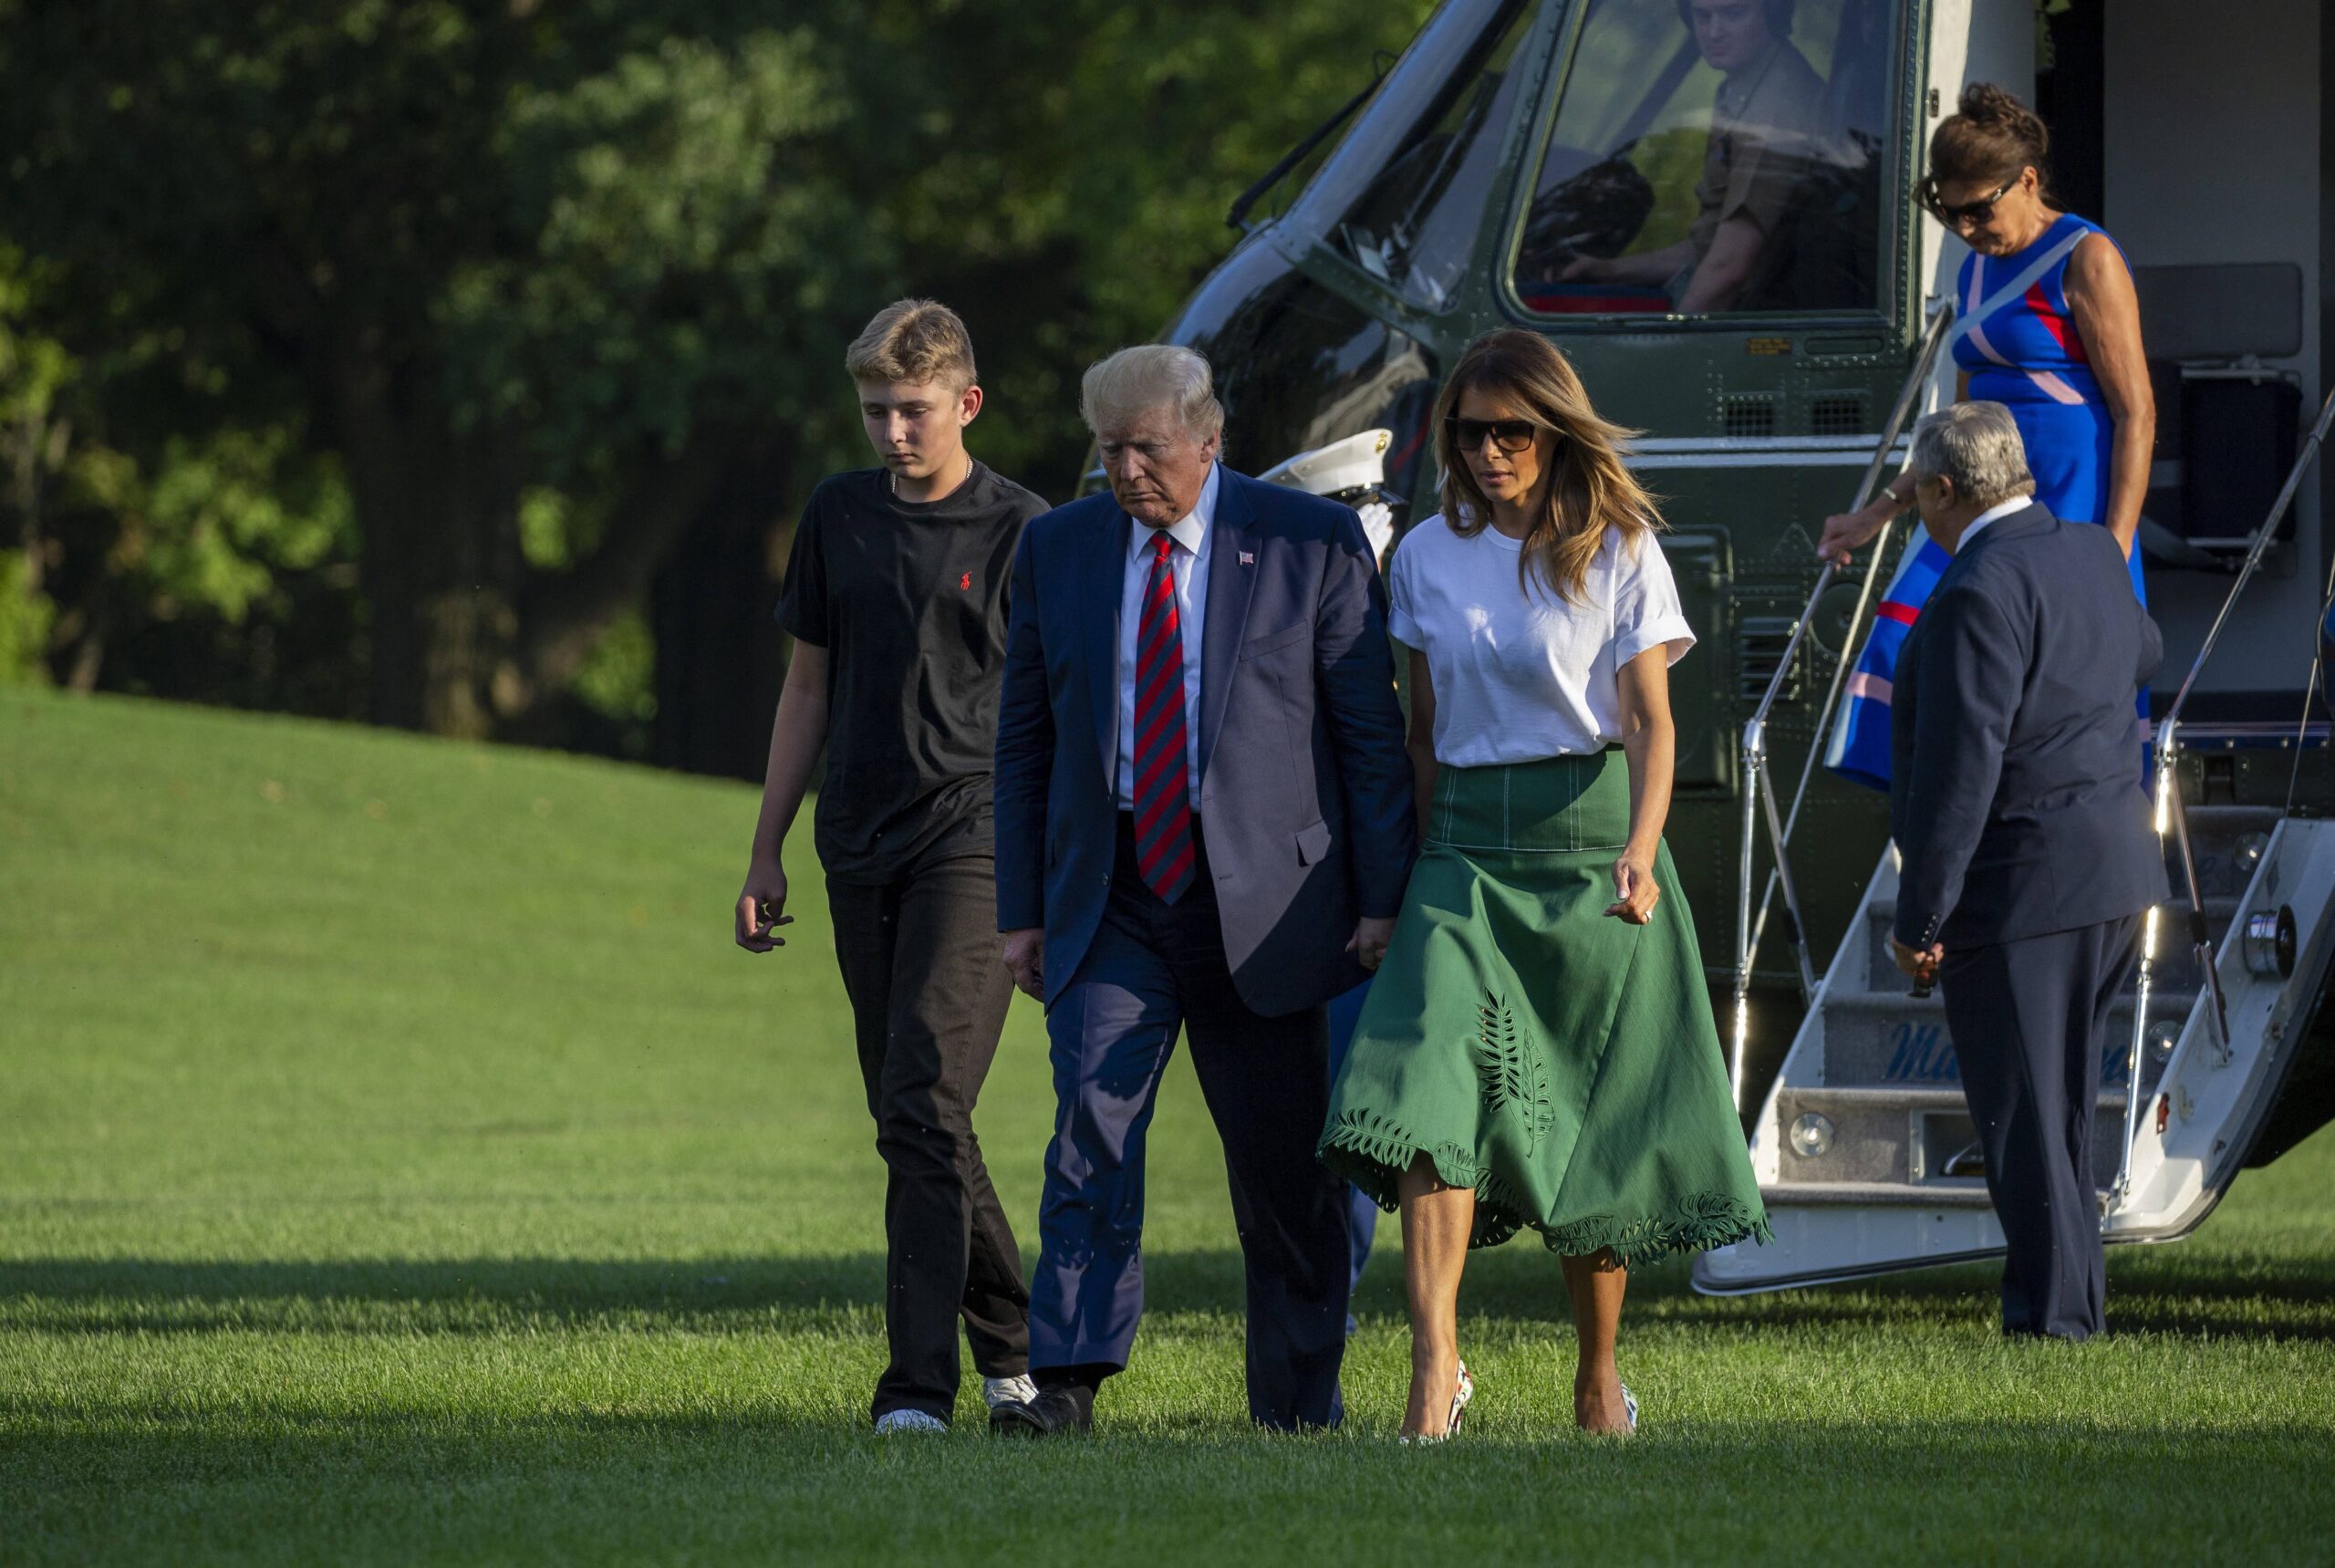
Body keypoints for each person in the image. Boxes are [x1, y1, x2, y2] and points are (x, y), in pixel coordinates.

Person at [1320, 329, 1767, 1440]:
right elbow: (1421, 735)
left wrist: (1641, 846)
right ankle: (1434, 1372)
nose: (1488, 452)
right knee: (1424, 1101)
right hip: (1463, 854)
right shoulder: (1421, 555)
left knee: (1590, 1116)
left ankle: (1597, 1374)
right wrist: (1405, 867)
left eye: (1511, 431)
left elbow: (1655, 726)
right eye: (1469, 432)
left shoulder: (1620, 549)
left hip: (1595, 848)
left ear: (1555, 431)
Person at [988, 346, 1417, 1436]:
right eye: (1110, 447)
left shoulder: (1306, 542)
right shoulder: (1058, 549)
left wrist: (1380, 899)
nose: (1127, 468)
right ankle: (1067, 1386)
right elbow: (1024, 741)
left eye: (1149, 447)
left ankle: (1295, 1401)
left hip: (1273, 910)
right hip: (1114, 893)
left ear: (1208, 436)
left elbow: (1369, 739)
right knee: (1089, 1127)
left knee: (1284, 1174)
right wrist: (1019, 910)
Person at [732, 299, 1049, 1435]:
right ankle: (1022, 1349)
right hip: (853, 845)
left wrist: (1050, 880)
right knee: (911, 1116)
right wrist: (766, 847)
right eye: (874, 412)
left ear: (965, 402)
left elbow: (1053, 717)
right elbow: (806, 687)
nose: (892, 434)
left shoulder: (1026, 530)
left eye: (911, 411)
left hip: (976, 843)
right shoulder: (836, 516)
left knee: (923, 1095)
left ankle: (917, 1390)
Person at [1886, 402, 2164, 1341]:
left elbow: (1959, 777)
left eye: (1919, 496)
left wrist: (1919, 920)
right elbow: (2145, 650)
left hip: (2024, 887)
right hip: (2116, 871)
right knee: (2065, 1115)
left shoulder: (1975, 588)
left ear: (1943, 489)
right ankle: (2069, 1309)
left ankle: (2052, 1320)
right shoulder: (2088, 549)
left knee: (2025, 1120)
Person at [1821, 83, 2154, 788]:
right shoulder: (1974, 268)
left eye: (1979, 209)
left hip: (2071, 503)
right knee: (1908, 644)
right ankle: (1942, 824)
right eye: (1950, 212)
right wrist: (1877, 514)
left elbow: (2137, 415)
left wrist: (2112, 554)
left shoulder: (2086, 256)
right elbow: (1958, 430)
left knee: (2048, 681)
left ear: (2027, 180)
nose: (1967, 228)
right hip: (1976, 499)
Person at [1559, 0, 1826, 312]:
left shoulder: (1775, 107)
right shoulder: (1744, 87)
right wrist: (1609, 271)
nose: (1714, 32)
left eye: (1733, 14)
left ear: (1774, 14)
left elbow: (1729, 267)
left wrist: (1672, 342)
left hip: (1755, 319)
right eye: (1702, 16)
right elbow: (1710, 246)